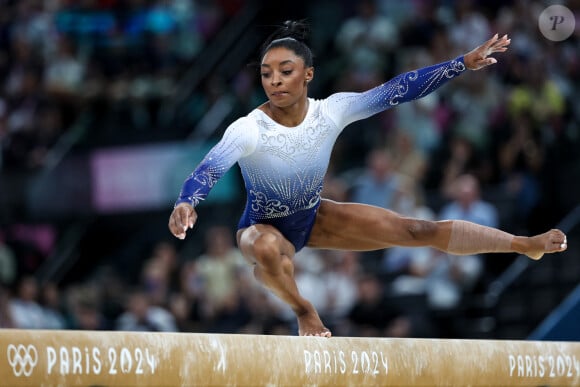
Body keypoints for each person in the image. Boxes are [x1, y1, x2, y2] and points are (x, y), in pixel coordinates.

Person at [168, 20, 567, 337]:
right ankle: (304, 310)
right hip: (260, 228)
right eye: (266, 73)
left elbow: (398, 90)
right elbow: (209, 169)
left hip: (314, 219)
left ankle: (522, 244)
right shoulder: (248, 128)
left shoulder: (332, 111)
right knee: (270, 252)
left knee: (415, 229)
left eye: (285, 71)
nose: (274, 81)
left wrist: (460, 63)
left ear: (308, 74)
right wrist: (187, 201)